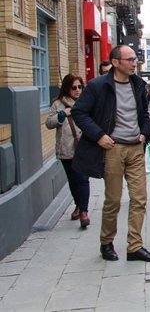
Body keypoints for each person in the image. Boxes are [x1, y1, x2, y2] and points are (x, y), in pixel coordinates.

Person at [72, 45, 150, 262]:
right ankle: (106, 242)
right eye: (129, 59)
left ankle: (135, 246)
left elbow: (144, 113)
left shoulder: (138, 84)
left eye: (135, 59)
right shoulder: (98, 86)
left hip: (135, 147)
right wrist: (99, 135)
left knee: (139, 198)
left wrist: (144, 132)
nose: (134, 63)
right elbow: (79, 112)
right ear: (115, 62)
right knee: (113, 199)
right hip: (112, 148)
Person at [46, 74, 90, 229]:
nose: (77, 90)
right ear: (67, 88)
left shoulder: (87, 101)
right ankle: (79, 205)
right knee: (73, 180)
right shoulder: (58, 104)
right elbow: (49, 123)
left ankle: (84, 212)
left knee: (83, 179)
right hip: (66, 148)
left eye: (80, 87)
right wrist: (62, 114)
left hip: (84, 148)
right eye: (74, 87)